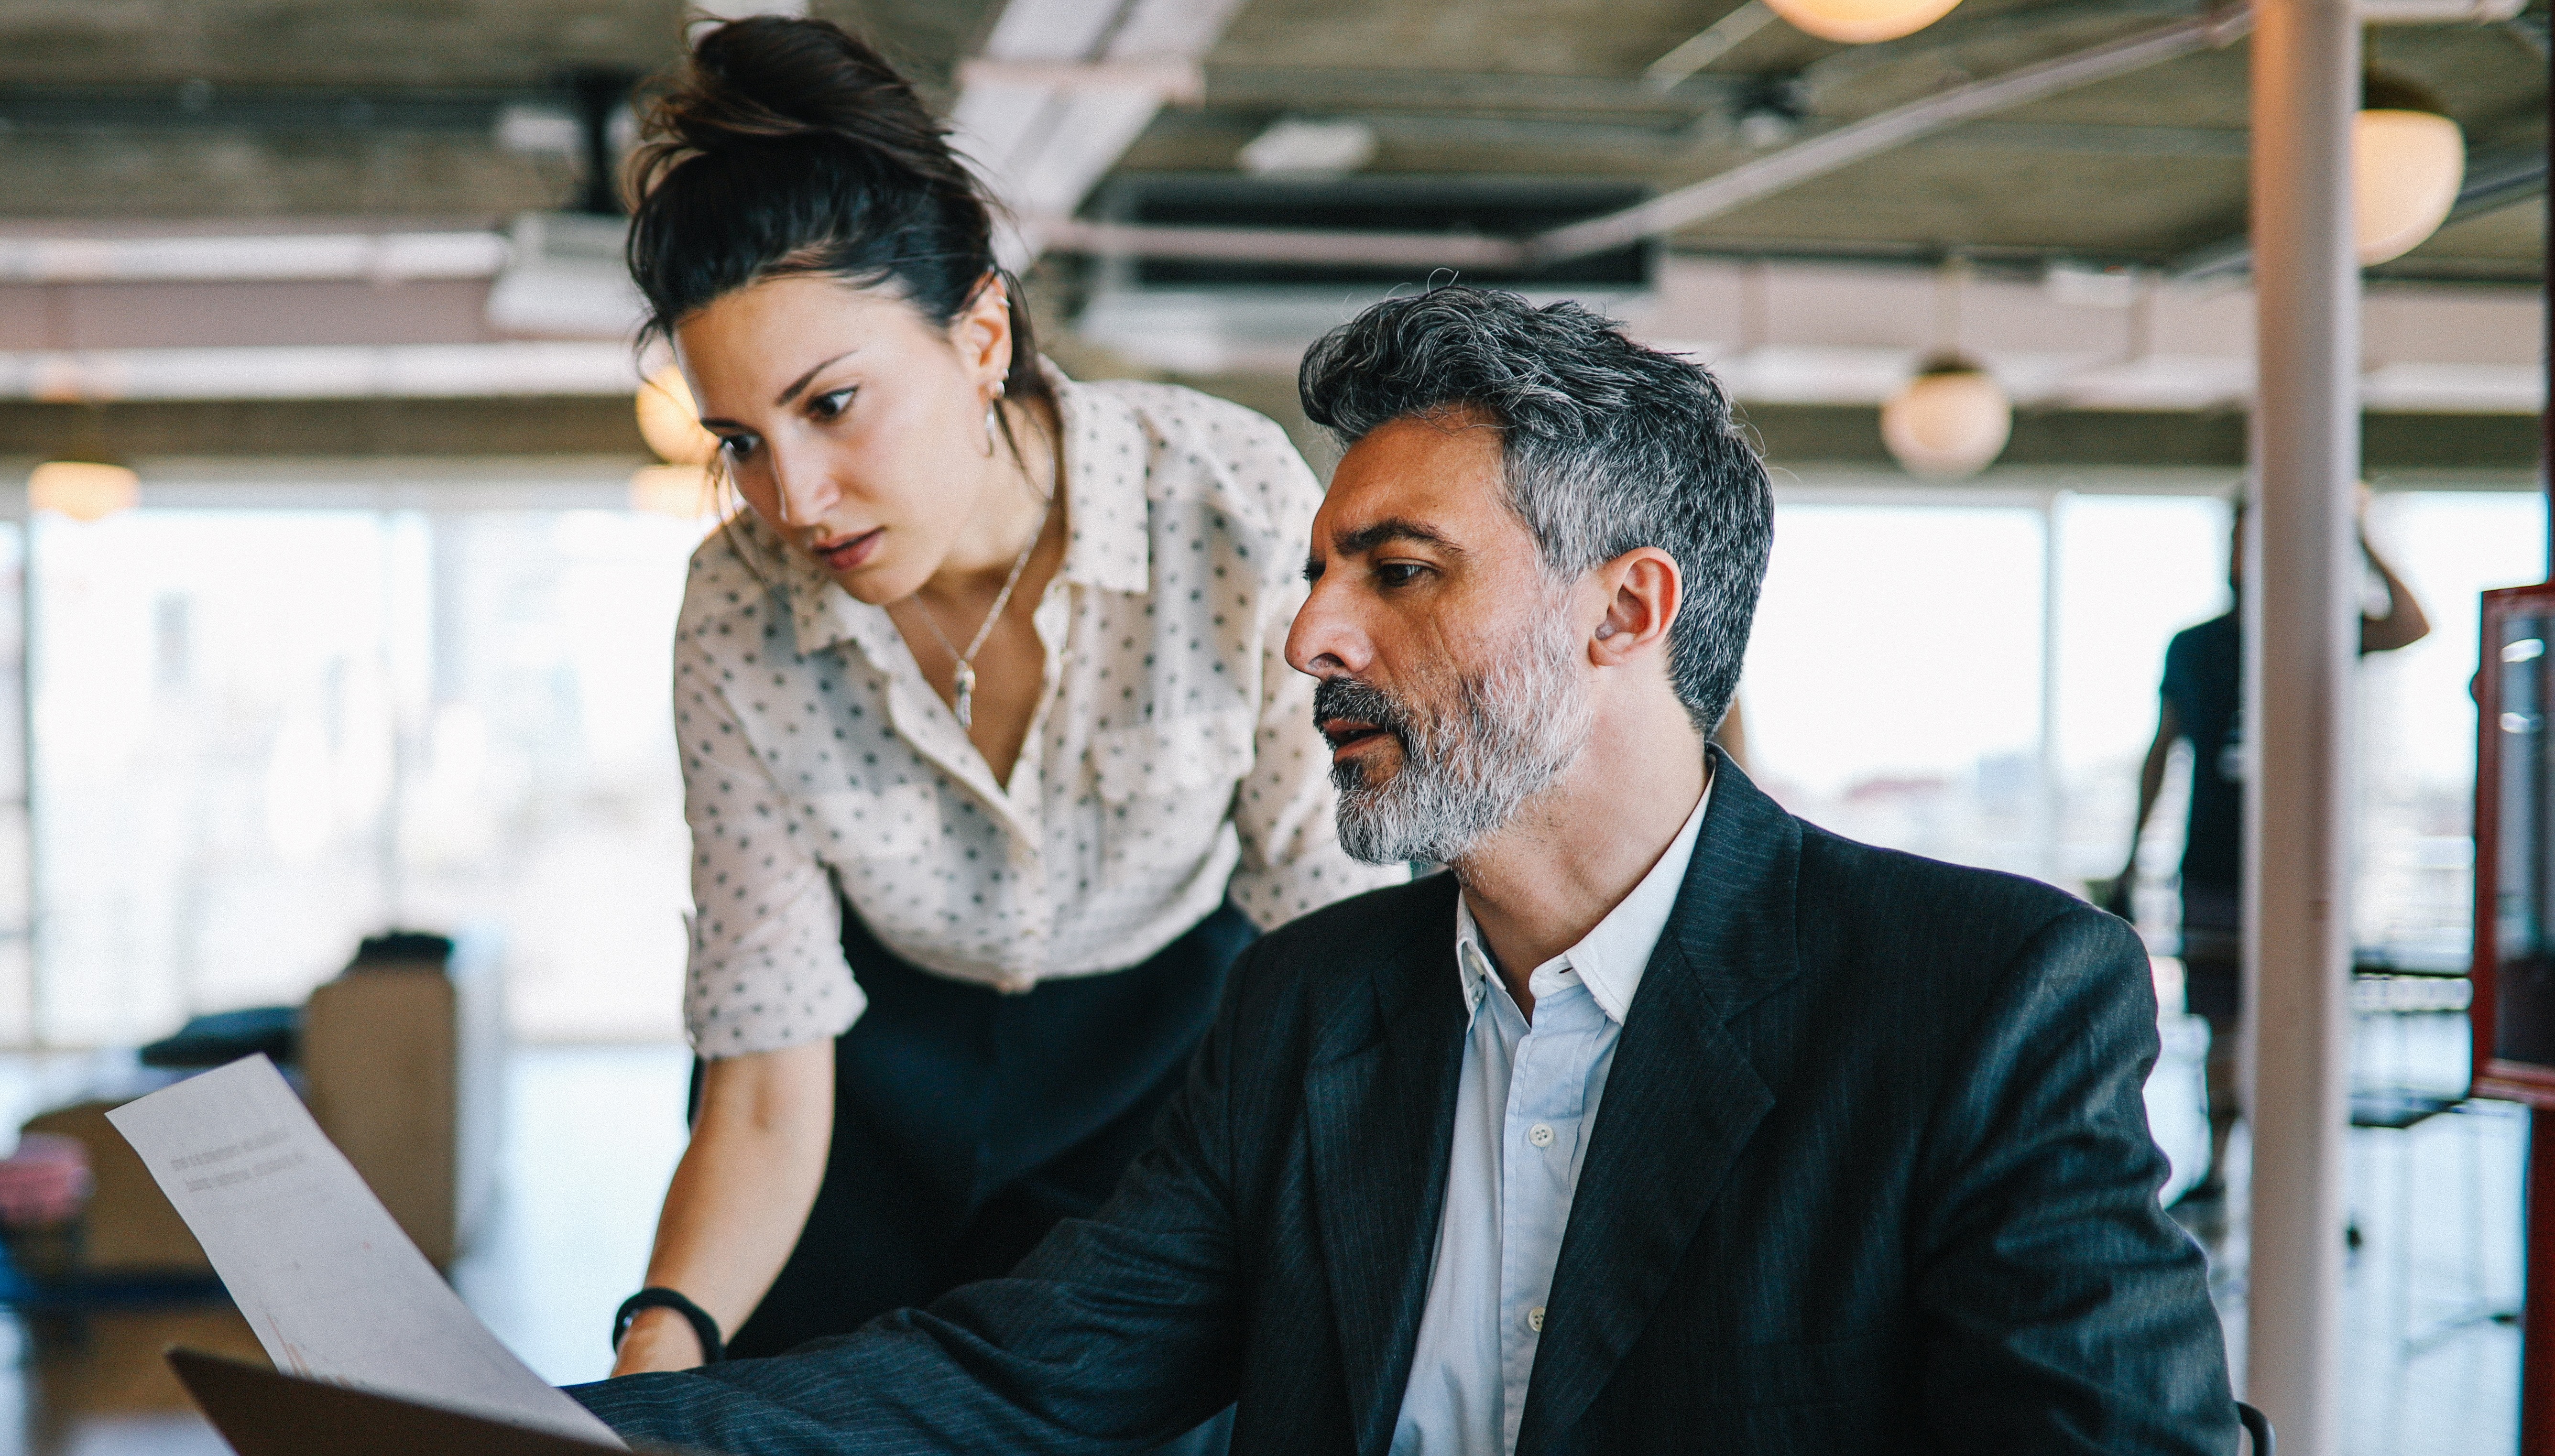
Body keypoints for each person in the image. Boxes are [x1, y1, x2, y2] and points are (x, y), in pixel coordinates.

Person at [570, 286, 2232, 1455]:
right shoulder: (1304, 1004)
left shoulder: (1977, 1000)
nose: (1308, 636)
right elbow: (1021, 1371)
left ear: (1625, 611)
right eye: (1316, 573)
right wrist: (531, 1425)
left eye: (1400, 571)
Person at [607, 17, 1396, 1381]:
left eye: (834, 403)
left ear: (979, 337)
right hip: (861, 1095)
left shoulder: (1221, 498)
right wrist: (652, 1347)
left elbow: (1328, 937)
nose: (794, 499)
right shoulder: (737, 608)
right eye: (740, 440)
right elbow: (765, 1080)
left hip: (1166, 1074)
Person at [2112, 493, 2429, 1204]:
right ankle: (2222, 1165)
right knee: (2219, 1021)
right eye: (2238, 539)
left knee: (2300, 1027)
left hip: (2303, 870)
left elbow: (2411, 623)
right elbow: (2163, 750)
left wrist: (2354, 534)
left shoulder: (2318, 629)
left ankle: (2305, 1189)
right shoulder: (2194, 645)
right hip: (2214, 864)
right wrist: (2135, 855)